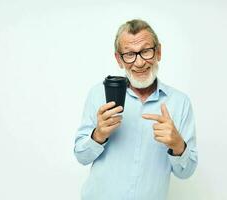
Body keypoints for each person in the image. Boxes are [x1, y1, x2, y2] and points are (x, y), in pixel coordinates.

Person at [74, 19, 198, 200]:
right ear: (119, 59)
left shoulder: (180, 102)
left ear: (159, 52)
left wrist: (178, 145)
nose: (139, 63)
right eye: (130, 54)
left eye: (146, 51)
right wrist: (98, 135)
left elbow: (186, 173)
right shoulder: (99, 94)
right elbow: (81, 156)